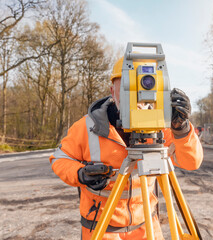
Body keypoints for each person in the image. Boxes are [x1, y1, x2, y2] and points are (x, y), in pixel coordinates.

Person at [49, 56, 203, 240]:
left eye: (140, 88)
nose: (134, 95)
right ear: (112, 90)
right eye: (126, 88)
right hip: (101, 229)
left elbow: (191, 162)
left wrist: (181, 129)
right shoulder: (86, 126)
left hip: (146, 227)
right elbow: (59, 159)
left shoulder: (162, 127)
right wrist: (80, 173)